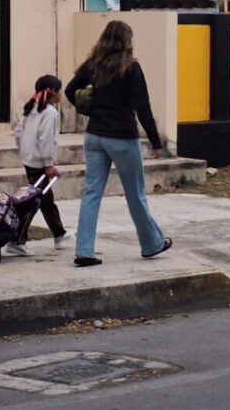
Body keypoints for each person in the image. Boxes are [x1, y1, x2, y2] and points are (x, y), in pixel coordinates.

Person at [65, 20, 172, 267]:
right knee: (135, 193)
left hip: (94, 137)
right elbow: (142, 106)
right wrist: (156, 142)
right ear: (126, 41)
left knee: (91, 193)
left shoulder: (93, 65)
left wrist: (89, 109)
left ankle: (84, 251)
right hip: (122, 137)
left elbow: (71, 90)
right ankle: (151, 244)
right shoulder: (131, 68)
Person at [8, 74, 71, 256]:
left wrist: (25, 152)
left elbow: (18, 133)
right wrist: (49, 164)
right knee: (32, 202)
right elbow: (47, 140)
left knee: (45, 200)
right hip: (40, 164)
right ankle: (16, 240)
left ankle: (59, 235)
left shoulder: (31, 109)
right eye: (59, 90)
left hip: (30, 161)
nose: (61, 95)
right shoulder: (50, 113)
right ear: (52, 92)